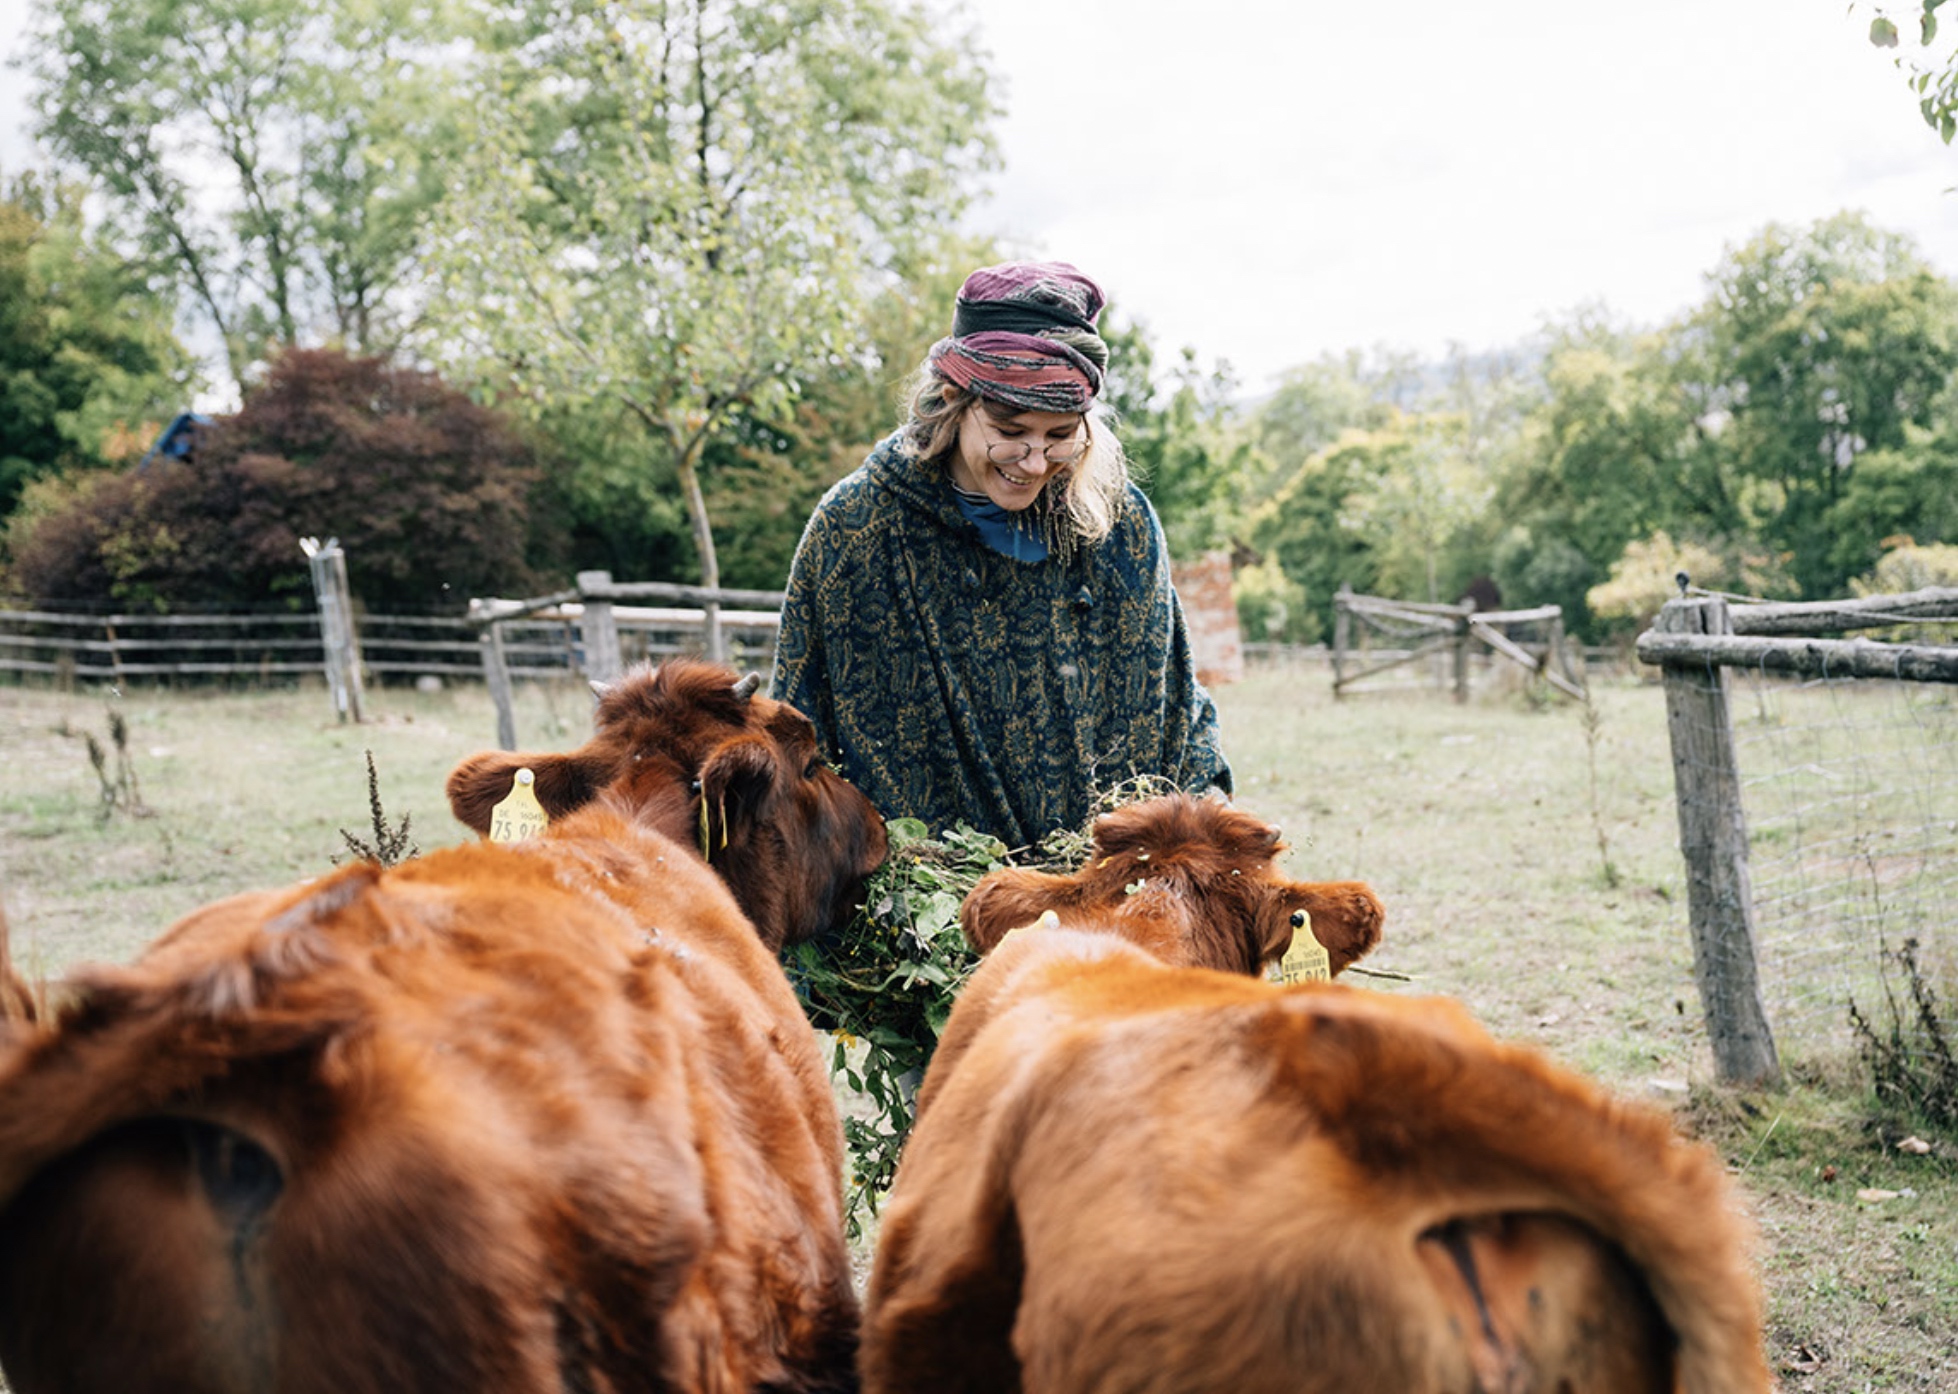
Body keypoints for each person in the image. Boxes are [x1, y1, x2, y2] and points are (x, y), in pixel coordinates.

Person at [771, 259, 1231, 848]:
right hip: (921, 911)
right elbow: (797, 732)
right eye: (1010, 430)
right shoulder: (856, 532)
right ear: (953, 401)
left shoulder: (1120, 524)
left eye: (1061, 434)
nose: (1035, 461)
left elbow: (1173, 699)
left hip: (1111, 899)